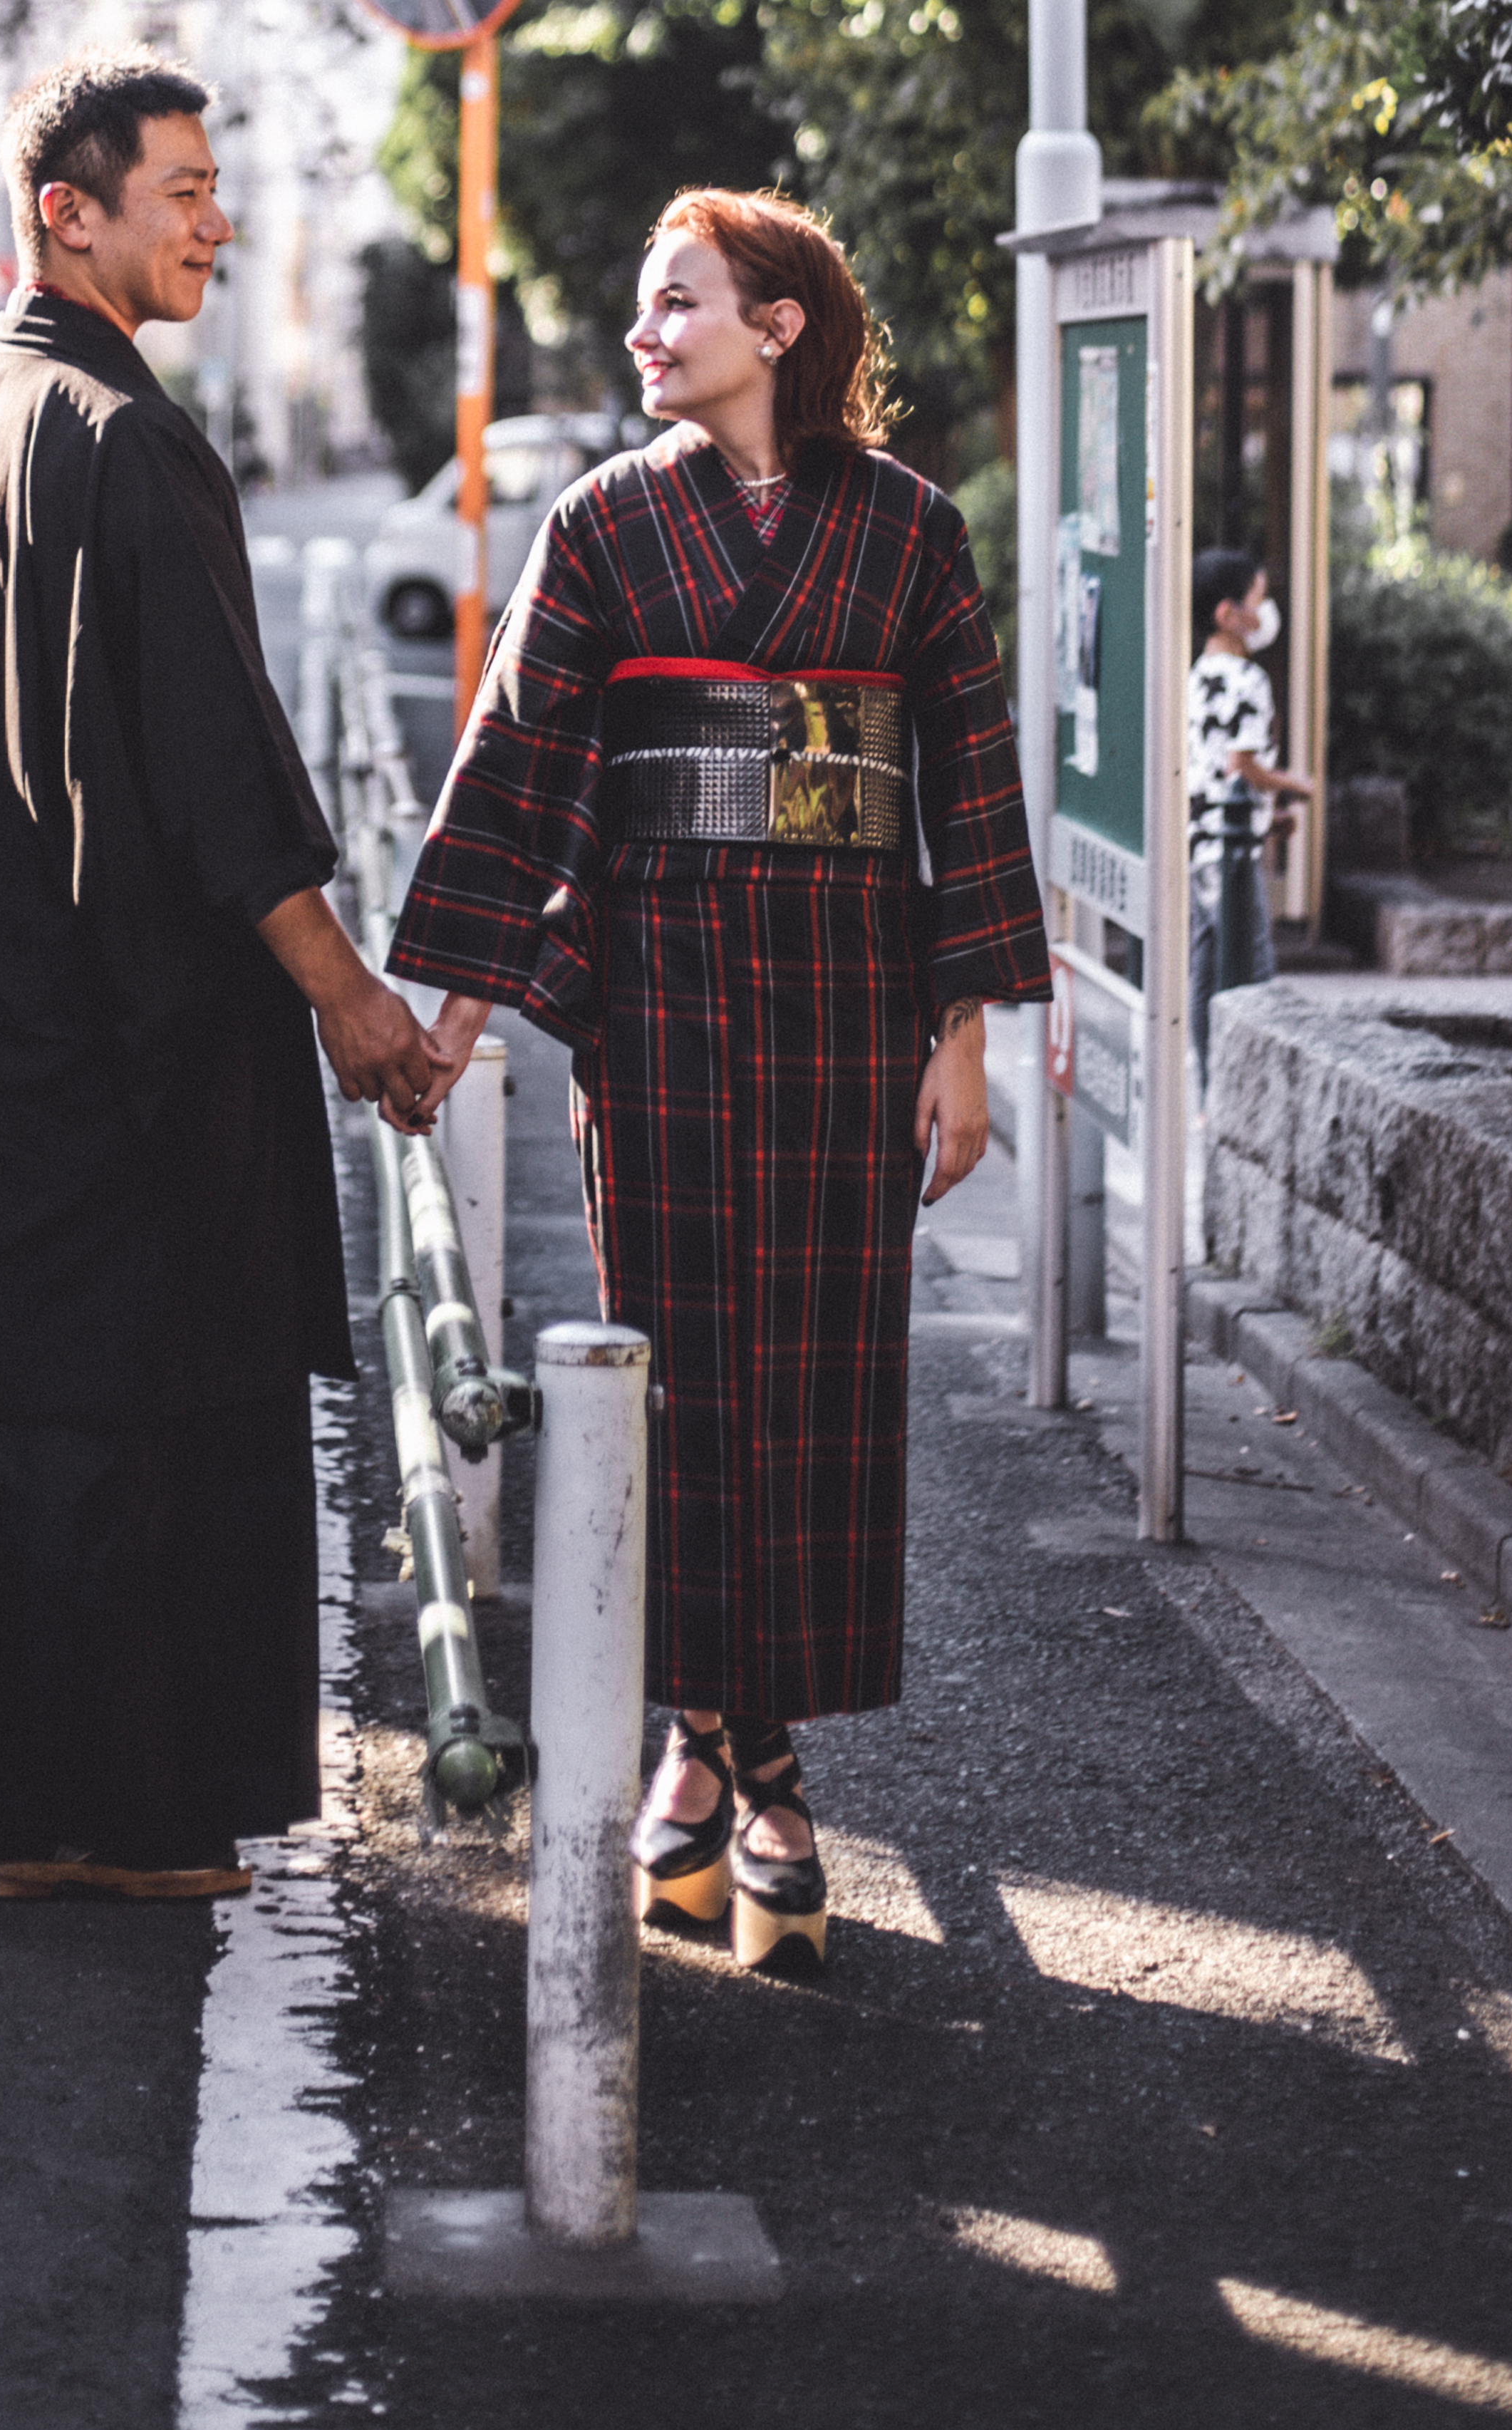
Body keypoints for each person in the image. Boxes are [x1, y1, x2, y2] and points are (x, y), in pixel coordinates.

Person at [0, 46, 444, 1901]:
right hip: (144, 1064)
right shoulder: (134, 445)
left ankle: (13, 1810)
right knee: (156, 1431)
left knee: (10, 1423)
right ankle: (142, 1823)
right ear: (67, 211)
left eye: (218, 188)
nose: (214, 219)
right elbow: (227, 804)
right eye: (181, 191)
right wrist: (356, 1009)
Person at [388, 190, 1047, 1975]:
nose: (640, 334)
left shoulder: (908, 531)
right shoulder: (602, 526)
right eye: (636, 304)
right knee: (668, 1376)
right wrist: (445, 1009)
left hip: (847, 996)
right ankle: (736, 1772)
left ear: (776, 324)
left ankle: (738, 1769)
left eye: (671, 301)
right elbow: (518, 757)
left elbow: (963, 783)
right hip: (665, 990)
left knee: (819, 1379)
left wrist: (963, 1034)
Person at [1188, 547, 1312, 1076]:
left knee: (1206, 965)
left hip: (1198, 841)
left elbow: (1210, 766)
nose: (1266, 615)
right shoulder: (1248, 680)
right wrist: (1297, 787)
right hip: (1231, 852)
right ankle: (1246, 1087)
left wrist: (1268, 818)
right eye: (1259, 601)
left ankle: (1207, 1087)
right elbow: (1241, 766)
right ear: (1227, 613)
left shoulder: (1195, 676)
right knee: (1253, 968)